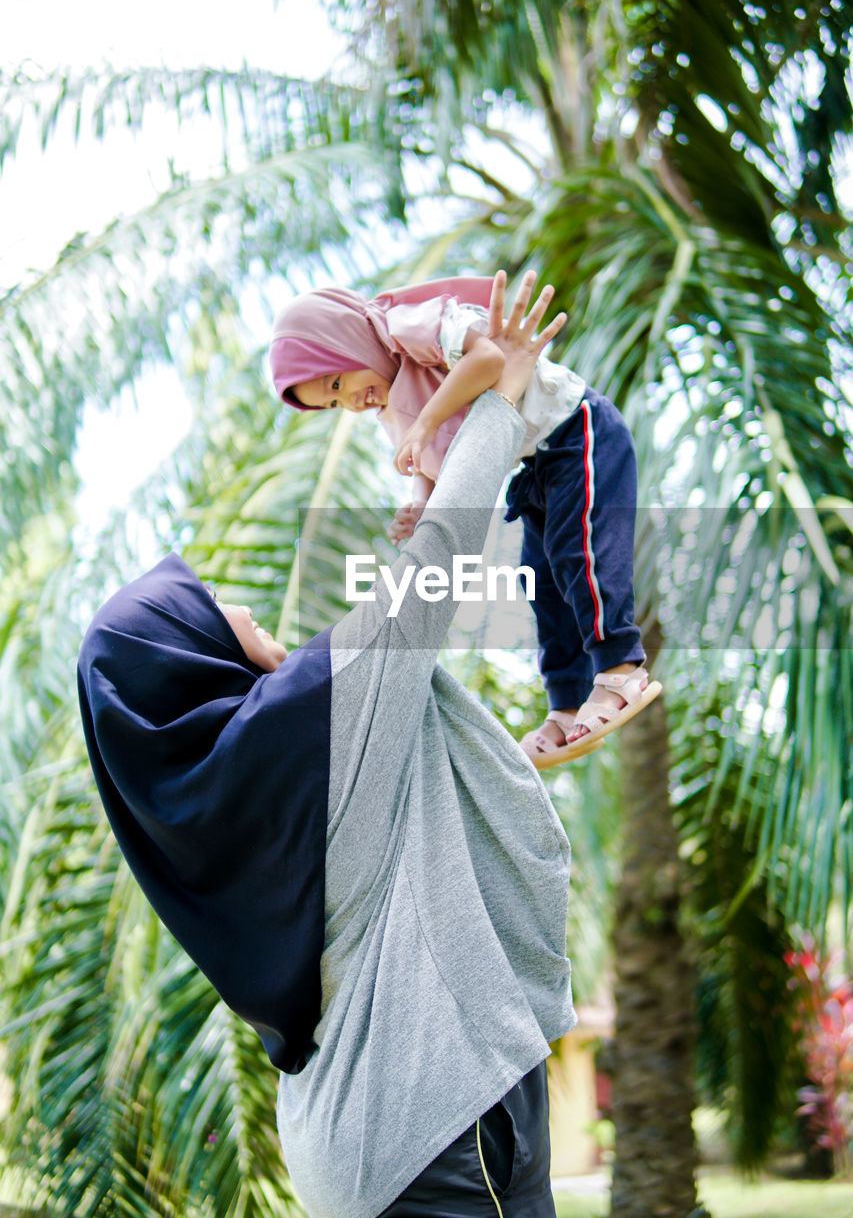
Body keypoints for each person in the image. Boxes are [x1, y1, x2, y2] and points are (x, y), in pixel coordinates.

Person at [77, 274, 576, 1218]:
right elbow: (430, 575)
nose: (235, 599)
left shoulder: (216, 806)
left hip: (365, 1139)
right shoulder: (314, 719)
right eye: (205, 604)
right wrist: (502, 398)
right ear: (188, 659)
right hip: (438, 1124)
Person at [269, 271, 660, 768]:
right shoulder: (393, 404)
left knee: (578, 554)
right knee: (539, 580)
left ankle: (621, 668)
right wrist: (420, 504)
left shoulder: (407, 327)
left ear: (347, 340)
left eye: (339, 382)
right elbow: (431, 462)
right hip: (537, 464)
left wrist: (428, 420)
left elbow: (489, 359)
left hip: (578, 430)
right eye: (332, 403)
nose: (349, 401)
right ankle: (565, 703)